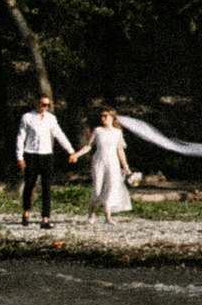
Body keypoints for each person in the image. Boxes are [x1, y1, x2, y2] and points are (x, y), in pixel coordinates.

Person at [13, 94, 75, 226]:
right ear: (36, 103)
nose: (44, 107)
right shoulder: (27, 117)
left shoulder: (51, 119)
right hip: (31, 154)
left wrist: (70, 151)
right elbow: (20, 137)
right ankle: (26, 213)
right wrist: (20, 157)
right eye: (42, 104)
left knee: (47, 187)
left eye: (47, 105)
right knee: (29, 185)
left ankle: (45, 218)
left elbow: (59, 134)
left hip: (46, 155)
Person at [69, 109, 135, 220]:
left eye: (105, 116)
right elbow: (89, 146)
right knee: (97, 188)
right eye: (101, 116)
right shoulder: (98, 131)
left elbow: (119, 150)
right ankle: (91, 212)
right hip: (99, 161)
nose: (102, 118)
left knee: (111, 187)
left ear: (112, 118)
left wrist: (125, 166)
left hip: (113, 162)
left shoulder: (117, 132)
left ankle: (107, 216)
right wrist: (76, 155)